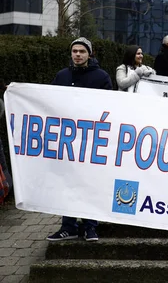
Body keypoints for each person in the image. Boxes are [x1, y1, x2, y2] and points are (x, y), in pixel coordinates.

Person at [48, 37, 112, 242]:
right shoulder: (61, 76)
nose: (77, 54)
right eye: (74, 51)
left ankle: (90, 226)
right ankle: (68, 226)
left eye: (81, 51)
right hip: (67, 140)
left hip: (91, 140)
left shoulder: (101, 77)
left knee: (90, 182)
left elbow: (110, 107)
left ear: (89, 54)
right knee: (68, 182)